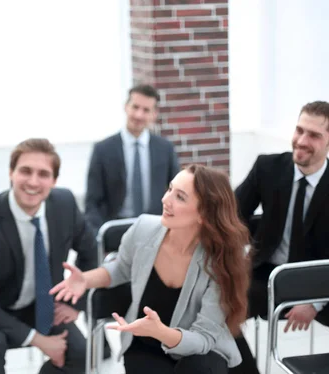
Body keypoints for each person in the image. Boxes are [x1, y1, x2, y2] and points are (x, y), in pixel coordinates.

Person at [51, 165, 251, 374]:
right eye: (170, 189)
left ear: (204, 214)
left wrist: (162, 332)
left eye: (180, 197)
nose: (166, 200)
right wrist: (84, 279)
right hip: (144, 345)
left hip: (198, 349)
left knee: (202, 366)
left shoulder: (220, 261)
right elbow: (120, 268)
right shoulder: (143, 229)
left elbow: (204, 338)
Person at [0, 138, 98, 374]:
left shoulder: (64, 204)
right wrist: (38, 339)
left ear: (54, 181)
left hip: (39, 302)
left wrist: (75, 302)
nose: (33, 182)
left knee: (79, 352)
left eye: (43, 174)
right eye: (25, 171)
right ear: (11, 173)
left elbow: (90, 252)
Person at [232, 101, 329, 373]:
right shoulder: (267, 167)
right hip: (266, 274)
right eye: (299, 130)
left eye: (314, 135)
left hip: (320, 283)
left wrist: (315, 303)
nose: (301, 140)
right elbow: (231, 216)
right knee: (218, 307)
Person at [85, 84, 179, 232]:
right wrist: (99, 235)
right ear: (126, 107)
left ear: (154, 114)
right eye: (135, 107)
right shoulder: (103, 149)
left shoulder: (165, 149)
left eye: (146, 110)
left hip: (155, 227)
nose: (139, 115)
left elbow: (177, 191)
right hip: (116, 228)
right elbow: (93, 201)